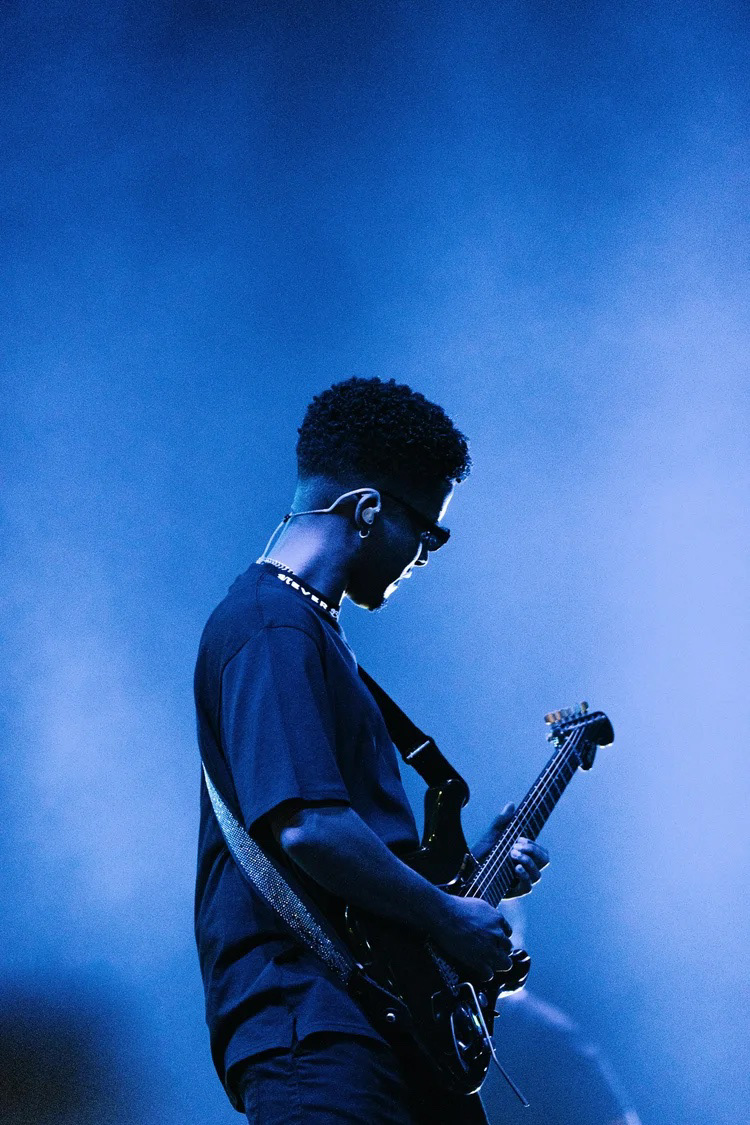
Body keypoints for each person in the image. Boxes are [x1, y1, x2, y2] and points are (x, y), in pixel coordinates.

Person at [194, 376, 549, 1124]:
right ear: (366, 510)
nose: (425, 556)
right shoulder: (272, 626)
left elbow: (349, 852)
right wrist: (448, 918)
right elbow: (310, 829)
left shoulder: (306, 630)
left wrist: (464, 874)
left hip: (371, 1027)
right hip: (316, 1029)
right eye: (428, 532)